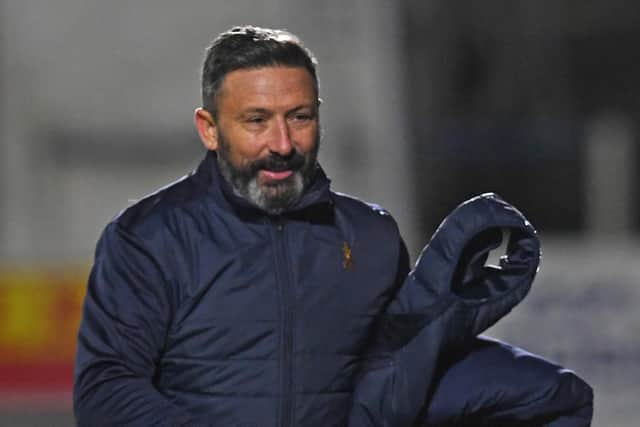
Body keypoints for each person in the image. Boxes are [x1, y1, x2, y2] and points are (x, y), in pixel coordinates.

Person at [74, 26, 593, 427]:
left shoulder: (370, 237)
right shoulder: (148, 239)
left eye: (299, 117)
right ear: (210, 129)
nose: (281, 143)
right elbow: (107, 388)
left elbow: (394, 377)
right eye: (256, 120)